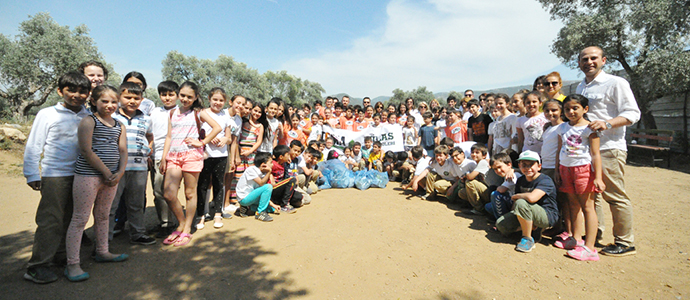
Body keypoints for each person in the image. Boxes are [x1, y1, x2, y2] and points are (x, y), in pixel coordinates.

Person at [23, 71, 92, 283]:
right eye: (71, 90)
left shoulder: (87, 115)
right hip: (55, 174)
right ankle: (38, 265)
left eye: (83, 91)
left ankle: (62, 256)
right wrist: (32, 173)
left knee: (72, 218)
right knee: (51, 219)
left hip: (80, 174)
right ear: (60, 91)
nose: (77, 95)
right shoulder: (47, 114)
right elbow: (34, 145)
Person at [577, 46, 641, 256]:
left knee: (614, 195)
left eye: (593, 58)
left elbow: (632, 113)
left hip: (609, 148)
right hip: (587, 149)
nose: (589, 62)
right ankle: (596, 232)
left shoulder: (616, 83)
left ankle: (625, 242)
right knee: (592, 196)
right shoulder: (581, 87)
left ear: (603, 60)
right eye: (584, 59)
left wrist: (607, 123)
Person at [65, 85, 128, 282]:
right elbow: (86, 151)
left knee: (103, 216)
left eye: (113, 102)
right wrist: (107, 172)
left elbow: (123, 151)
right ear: (94, 101)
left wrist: (120, 173)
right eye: (104, 101)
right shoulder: (88, 121)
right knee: (80, 219)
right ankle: (72, 264)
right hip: (88, 176)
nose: (110, 105)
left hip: (111, 178)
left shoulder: (119, 125)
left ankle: (103, 252)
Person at [159, 81, 222, 247]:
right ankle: (181, 222)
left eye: (189, 96)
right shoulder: (172, 113)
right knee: (169, 193)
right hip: (173, 156)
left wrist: (201, 143)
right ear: (178, 94)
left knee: (190, 193)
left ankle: (187, 228)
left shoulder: (199, 113)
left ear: (195, 98)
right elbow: (169, 137)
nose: (185, 99)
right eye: (183, 95)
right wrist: (164, 157)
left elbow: (217, 127)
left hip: (191, 156)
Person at [554, 94, 605, 261]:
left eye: (575, 108)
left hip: (582, 170)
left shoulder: (589, 129)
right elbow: (559, 150)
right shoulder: (562, 128)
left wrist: (598, 177)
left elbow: (596, 154)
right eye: (567, 108)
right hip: (565, 169)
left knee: (587, 206)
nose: (571, 111)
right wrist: (557, 170)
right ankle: (576, 239)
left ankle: (590, 248)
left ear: (585, 109)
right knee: (573, 204)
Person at [108, 82, 156, 245]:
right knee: (111, 205)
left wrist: (148, 149)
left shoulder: (146, 119)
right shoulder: (111, 117)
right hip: (115, 169)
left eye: (136, 98)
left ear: (142, 99)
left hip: (139, 167)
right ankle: (104, 238)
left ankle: (138, 233)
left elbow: (149, 136)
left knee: (136, 203)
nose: (132, 101)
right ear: (119, 97)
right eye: (127, 97)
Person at [495, 151, 558, 253]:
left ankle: (527, 238)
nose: (528, 168)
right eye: (524, 165)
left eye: (531, 165)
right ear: (519, 166)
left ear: (539, 166)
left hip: (547, 215)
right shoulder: (521, 180)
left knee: (521, 202)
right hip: (527, 212)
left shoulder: (545, 180)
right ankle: (533, 228)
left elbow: (532, 198)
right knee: (501, 225)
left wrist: (516, 196)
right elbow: (515, 205)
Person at [195, 88, 233, 230]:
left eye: (221, 100)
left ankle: (218, 213)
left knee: (219, 184)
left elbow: (229, 138)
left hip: (221, 155)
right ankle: (201, 215)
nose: (217, 103)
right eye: (215, 99)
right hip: (205, 155)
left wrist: (224, 139)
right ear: (209, 99)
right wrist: (208, 138)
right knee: (202, 185)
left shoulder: (226, 116)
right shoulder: (202, 114)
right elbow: (198, 133)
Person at [150, 81, 180, 237]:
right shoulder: (155, 112)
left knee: (168, 191)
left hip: (172, 156)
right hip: (155, 155)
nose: (167, 98)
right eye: (164, 94)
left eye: (171, 94)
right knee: (157, 191)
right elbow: (150, 133)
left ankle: (170, 223)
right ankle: (164, 221)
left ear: (177, 95)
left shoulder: (181, 112)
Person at [229, 100, 266, 204]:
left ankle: (247, 198)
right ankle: (234, 199)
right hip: (240, 153)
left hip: (251, 154)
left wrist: (250, 151)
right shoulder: (243, 122)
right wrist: (239, 151)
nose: (256, 114)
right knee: (237, 176)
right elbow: (237, 138)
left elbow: (258, 141)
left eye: (259, 112)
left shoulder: (260, 126)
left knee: (250, 178)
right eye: (255, 110)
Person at [236, 152, 279, 222]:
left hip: (251, 197)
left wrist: (273, 205)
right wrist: (269, 172)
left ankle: (245, 208)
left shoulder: (262, 174)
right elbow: (262, 184)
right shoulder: (251, 170)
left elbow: (263, 193)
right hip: (244, 198)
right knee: (268, 186)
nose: (272, 164)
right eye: (270, 162)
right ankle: (260, 213)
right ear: (263, 165)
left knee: (271, 209)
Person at [483, 152, 522, 220]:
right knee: (488, 206)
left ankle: (502, 220)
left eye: (499, 167)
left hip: (516, 203)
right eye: (495, 169)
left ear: (509, 164)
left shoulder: (513, 175)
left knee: (495, 194)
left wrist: (498, 188)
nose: (498, 170)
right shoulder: (508, 174)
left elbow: (501, 189)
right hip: (511, 200)